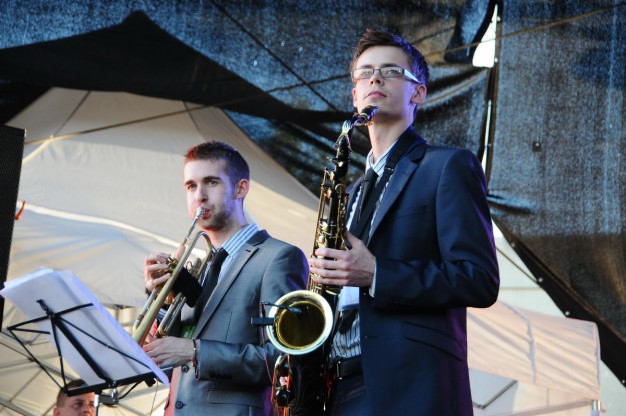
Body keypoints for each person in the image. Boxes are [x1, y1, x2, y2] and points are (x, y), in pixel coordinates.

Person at [308, 29, 500, 415]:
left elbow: (479, 279)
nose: (375, 79)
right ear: (355, 95)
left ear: (419, 93)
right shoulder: (351, 190)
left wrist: (378, 273)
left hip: (412, 387)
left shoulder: (449, 165)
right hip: (337, 386)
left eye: (391, 71)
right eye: (365, 73)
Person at [142, 140, 308, 415]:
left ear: (241, 188)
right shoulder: (197, 267)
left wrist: (195, 351)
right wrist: (160, 299)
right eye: (191, 186)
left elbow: (283, 361)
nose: (199, 196)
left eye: (211, 182)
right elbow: (168, 356)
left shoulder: (278, 257)